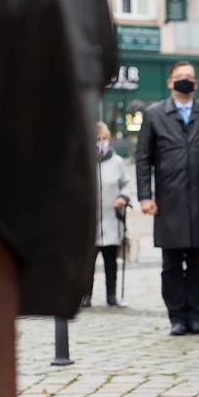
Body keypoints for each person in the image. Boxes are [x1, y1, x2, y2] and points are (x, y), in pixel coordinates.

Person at [136, 61, 199, 335]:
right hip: (168, 202)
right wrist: (145, 196)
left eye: (189, 77)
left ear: (196, 83)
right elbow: (143, 159)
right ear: (170, 82)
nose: (185, 81)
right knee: (171, 264)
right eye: (180, 77)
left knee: (198, 263)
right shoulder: (155, 115)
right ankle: (176, 317)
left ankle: (196, 316)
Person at [86, 121, 130, 308]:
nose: (101, 143)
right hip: (89, 222)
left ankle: (111, 294)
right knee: (87, 263)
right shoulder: (83, 161)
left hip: (111, 218)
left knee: (111, 259)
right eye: (97, 139)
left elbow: (127, 184)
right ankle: (85, 295)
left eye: (104, 139)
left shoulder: (117, 162)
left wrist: (123, 197)